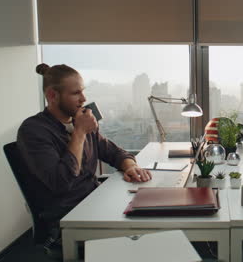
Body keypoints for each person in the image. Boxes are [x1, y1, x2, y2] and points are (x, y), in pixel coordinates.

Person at [17, 63, 152, 256]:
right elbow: (61, 181)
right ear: (52, 96)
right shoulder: (33, 131)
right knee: (143, 239)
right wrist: (79, 132)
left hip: (95, 203)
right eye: (75, 93)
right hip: (69, 218)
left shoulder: (80, 122)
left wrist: (130, 166)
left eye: (83, 91)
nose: (83, 99)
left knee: (150, 215)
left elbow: (114, 153)